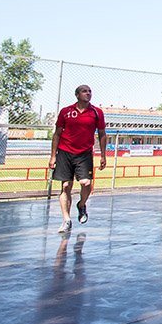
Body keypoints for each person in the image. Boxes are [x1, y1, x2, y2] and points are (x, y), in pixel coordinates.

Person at [49, 85, 107, 234]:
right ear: (77, 95)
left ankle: (81, 205)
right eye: (84, 91)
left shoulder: (97, 112)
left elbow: (102, 134)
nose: (88, 93)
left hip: (84, 153)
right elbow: (57, 134)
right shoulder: (66, 112)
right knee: (66, 186)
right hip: (65, 152)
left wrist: (103, 155)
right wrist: (53, 155)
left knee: (86, 183)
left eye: (90, 91)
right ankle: (66, 220)